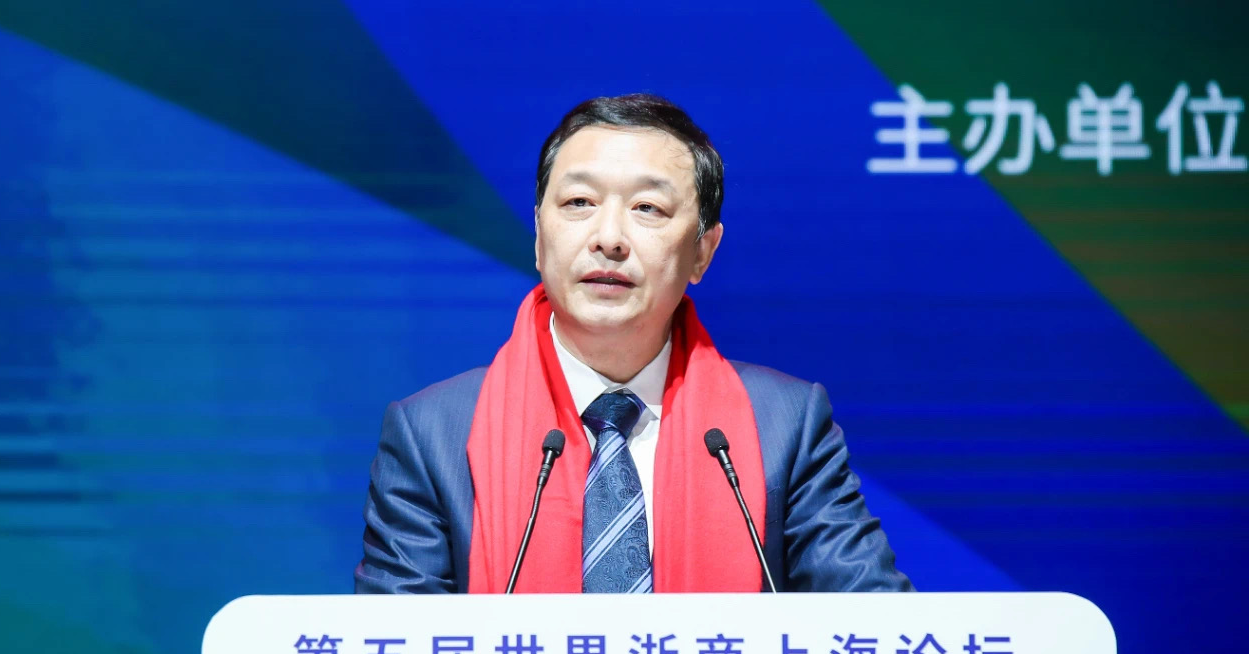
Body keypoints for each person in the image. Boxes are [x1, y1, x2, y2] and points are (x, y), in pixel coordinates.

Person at [355, 94, 911, 594]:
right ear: (539, 235)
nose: (609, 238)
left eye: (648, 208)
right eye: (579, 202)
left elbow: (879, 629)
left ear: (702, 252)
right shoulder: (434, 435)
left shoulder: (784, 426)